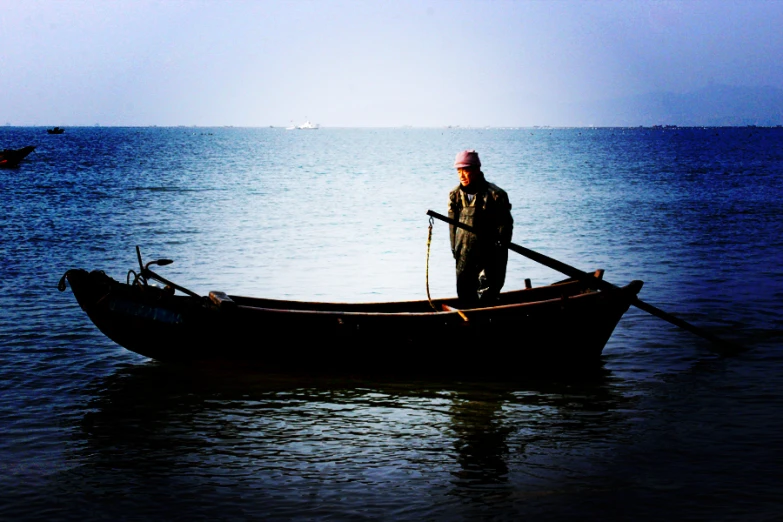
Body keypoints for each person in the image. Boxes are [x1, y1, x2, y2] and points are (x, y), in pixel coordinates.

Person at [448, 150, 513, 306]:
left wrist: (498, 248)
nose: (462, 175)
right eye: (458, 171)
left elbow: (505, 229)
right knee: (465, 295)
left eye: (466, 170)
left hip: (490, 255)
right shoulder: (455, 195)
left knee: (487, 295)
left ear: (477, 170)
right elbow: (453, 229)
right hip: (464, 254)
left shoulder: (496, 195)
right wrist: (456, 252)